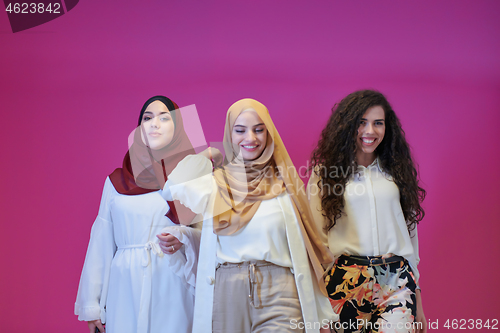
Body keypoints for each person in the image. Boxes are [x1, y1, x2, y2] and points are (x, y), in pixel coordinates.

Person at [162, 98, 337, 333]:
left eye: (258, 130)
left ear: (269, 134)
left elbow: (306, 254)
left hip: (281, 291)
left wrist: (322, 316)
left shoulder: (287, 187)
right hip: (226, 292)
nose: (250, 138)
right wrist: (208, 154)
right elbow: (171, 187)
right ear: (229, 134)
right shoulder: (214, 185)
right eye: (240, 130)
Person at [74, 96, 200, 333]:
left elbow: (209, 238)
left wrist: (183, 237)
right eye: (147, 118)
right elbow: (101, 241)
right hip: (124, 287)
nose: (154, 124)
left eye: (165, 118)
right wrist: (92, 306)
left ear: (178, 127)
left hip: (173, 283)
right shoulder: (116, 182)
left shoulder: (193, 175)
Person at [308, 90, 427, 333]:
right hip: (345, 279)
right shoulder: (324, 175)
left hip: (397, 281)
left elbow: (410, 238)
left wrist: (419, 302)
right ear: (347, 125)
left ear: (387, 128)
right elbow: (315, 244)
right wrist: (319, 310)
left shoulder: (397, 174)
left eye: (378, 123)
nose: (370, 131)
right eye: (361, 123)